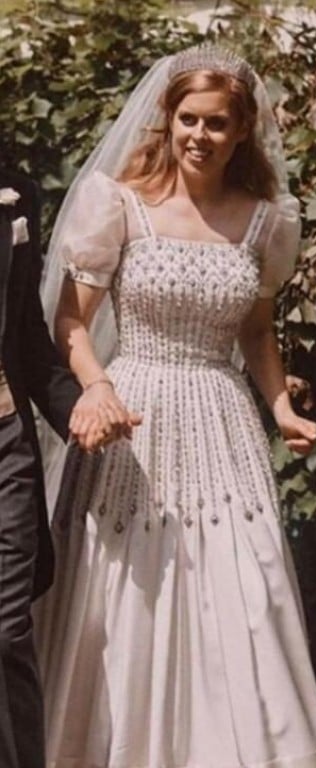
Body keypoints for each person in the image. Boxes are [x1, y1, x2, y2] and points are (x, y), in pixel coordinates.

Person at [33, 44, 316, 768]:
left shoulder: (266, 220)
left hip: (221, 414)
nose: (200, 136)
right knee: (131, 586)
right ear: (167, 121)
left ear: (242, 133)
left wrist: (280, 407)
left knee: (241, 581)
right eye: (189, 120)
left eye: (218, 124)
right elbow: (70, 323)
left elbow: (257, 330)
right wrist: (97, 386)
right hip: (133, 413)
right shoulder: (119, 205)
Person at [0, 167, 105, 768]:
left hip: (5, 445)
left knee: (7, 630)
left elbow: (28, 340)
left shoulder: (17, 191)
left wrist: (80, 409)